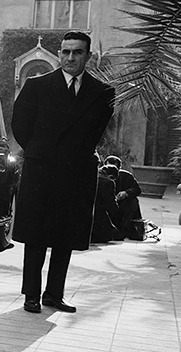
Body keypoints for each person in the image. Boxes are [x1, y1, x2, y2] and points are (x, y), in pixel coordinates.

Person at [11, 31, 115, 313]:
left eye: (77, 52)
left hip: (76, 172)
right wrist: (40, 152)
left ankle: (54, 294)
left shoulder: (103, 93)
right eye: (66, 52)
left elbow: (96, 132)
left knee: (65, 235)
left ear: (88, 56)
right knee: (36, 235)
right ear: (59, 54)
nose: (70, 58)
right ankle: (31, 294)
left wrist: (71, 156)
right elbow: (20, 125)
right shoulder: (37, 85)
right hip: (41, 170)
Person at [103, 155, 143, 236]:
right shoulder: (101, 177)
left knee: (133, 201)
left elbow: (137, 189)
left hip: (122, 204)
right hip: (107, 204)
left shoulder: (126, 176)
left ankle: (124, 228)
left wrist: (126, 193)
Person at [91, 164, 123, 243]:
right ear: (111, 176)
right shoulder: (108, 182)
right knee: (112, 234)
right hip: (97, 214)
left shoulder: (90, 176)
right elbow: (110, 204)